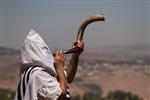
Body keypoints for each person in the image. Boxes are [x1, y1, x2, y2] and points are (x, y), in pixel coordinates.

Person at [14, 29, 84, 100]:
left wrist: (75, 55)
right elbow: (61, 94)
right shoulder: (38, 74)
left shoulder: (38, 72)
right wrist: (60, 67)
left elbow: (68, 78)